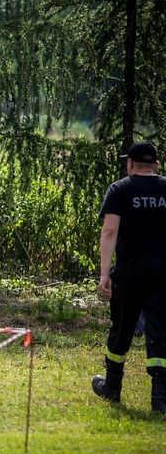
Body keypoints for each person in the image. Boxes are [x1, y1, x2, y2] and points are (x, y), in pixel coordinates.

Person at [92, 141, 166, 414]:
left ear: (130, 164)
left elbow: (110, 231)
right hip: (162, 271)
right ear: (156, 164)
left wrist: (104, 273)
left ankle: (112, 388)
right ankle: (160, 399)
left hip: (129, 270)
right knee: (160, 331)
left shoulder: (120, 189)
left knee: (122, 327)